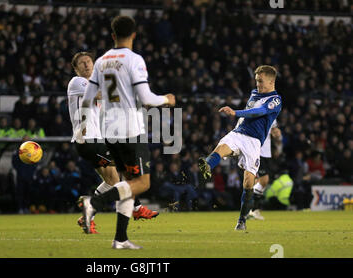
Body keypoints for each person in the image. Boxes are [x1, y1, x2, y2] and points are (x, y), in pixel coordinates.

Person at [77, 16, 175, 249]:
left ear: (112, 35)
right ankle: (95, 203)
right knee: (142, 183)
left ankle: (120, 238)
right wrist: (167, 100)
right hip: (130, 129)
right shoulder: (134, 59)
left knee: (128, 183)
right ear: (134, 34)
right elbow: (146, 97)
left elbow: (88, 100)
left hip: (109, 130)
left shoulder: (101, 61)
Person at [67, 51, 159, 234]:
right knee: (127, 168)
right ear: (76, 69)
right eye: (82, 63)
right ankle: (137, 209)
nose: (86, 65)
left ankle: (87, 215)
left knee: (112, 181)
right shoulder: (77, 82)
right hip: (88, 140)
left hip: (95, 139)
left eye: (88, 62)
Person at [198, 65, 282, 231]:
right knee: (220, 148)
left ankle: (242, 219)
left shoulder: (275, 100)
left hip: (253, 142)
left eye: (261, 81)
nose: (258, 84)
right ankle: (207, 165)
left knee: (248, 183)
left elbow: (259, 112)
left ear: (271, 81)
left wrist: (236, 113)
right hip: (238, 133)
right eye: (256, 81)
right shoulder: (254, 93)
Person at [247, 121, 282, 220]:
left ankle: (252, 209)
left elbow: (274, 130)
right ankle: (250, 209)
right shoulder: (255, 111)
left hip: (266, 153)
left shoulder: (272, 112)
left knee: (259, 182)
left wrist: (276, 132)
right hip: (256, 151)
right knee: (264, 180)